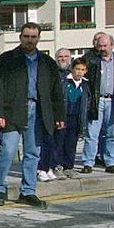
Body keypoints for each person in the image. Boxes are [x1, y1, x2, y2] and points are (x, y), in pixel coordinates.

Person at [0, 23, 65, 207]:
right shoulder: (7, 59)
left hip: (38, 111)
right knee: (8, 151)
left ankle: (28, 191)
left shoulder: (47, 63)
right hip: (12, 112)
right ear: (20, 37)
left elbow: (56, 92)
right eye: (26, 36)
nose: (30, 40)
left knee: (33, 153)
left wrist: (59, 115)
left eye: (33, 37)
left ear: (38, 38)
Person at [81, 32, 114, 174]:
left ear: (112, 45)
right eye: (100, 46)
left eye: (105, 45)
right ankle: (88, 162)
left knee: (112, 134)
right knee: (92, 134)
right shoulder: (92, 62)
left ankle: (110, 162)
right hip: (97, 101)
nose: (102, 48)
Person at [37, 52, 72, 182]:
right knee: (46, 141)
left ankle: (49, 167)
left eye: (66, 56)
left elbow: (58, 96)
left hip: (59, 112)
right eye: (60, 57)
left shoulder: (70, 73)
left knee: (55, 143)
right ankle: (42, 168)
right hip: (46, 111)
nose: (63, 59)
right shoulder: (51, 72)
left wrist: (60, 116)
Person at [52, 59, 91, 175]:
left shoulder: (85, 84)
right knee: (59, 142)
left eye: (83, 70)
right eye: (77, 69)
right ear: (72, 69)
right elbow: (58, 98)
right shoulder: (64, 81)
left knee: (71, 143)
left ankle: (69, 166)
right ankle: (57, 166)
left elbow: (87, 101)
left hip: (76, 118)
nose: (79, 72)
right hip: (63, 116)